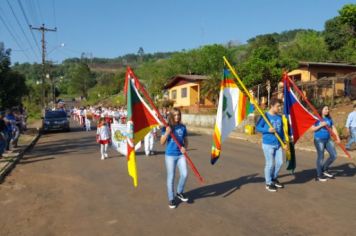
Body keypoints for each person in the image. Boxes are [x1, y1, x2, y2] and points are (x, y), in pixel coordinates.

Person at [160, 108, 189, 209]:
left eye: (178, 115)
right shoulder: (166, 127)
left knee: (185, 174)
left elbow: (186, 141)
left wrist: (185, 148)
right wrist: (167, 133)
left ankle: (179, 192)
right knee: (171, 177)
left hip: (180, 155)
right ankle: (171, 199)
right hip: (170, 155)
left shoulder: (183, 127)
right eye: (175, 115)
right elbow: (162, 142)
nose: (177, 117)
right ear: (171, 116)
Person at [256, 98, 285, 192]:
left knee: (280, 162)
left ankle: (273, 178)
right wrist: (267, 130)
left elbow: (281, 131)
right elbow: (258, 127)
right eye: (278, 106)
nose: (280, 108)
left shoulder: (279, 117)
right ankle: (268, 183)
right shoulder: (265, 116)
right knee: (270, 164)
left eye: (280, 106)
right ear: (272, 106)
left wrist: (284, 142)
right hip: (268, 144)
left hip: (278, 144)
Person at [311, 106, 340, 182]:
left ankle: (325, 169)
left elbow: (333, 128)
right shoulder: (316, 118)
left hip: (328, 139)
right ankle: (319, 175)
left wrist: (337, 137)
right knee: (321, 157)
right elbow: (312, 129)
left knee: (334, 155)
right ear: (321, 110)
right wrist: (321, 125)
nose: (328, 110)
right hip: (319, 140)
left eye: (328, 109)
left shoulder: (329, 119)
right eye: (326, 109)